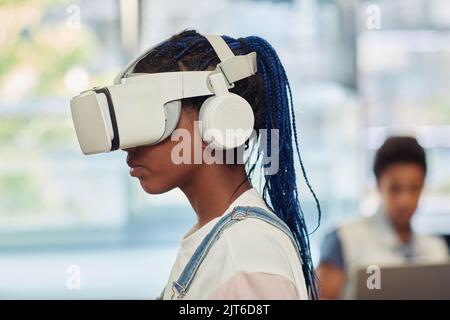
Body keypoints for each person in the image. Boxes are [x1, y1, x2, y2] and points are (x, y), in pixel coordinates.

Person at [122, 30, 321, 299]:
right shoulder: (224, 241)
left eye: (152, 118)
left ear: (221, 119)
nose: (130, 145)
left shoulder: (244, 256)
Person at [317, 136, 449, 299]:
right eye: (395, 189)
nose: (405, 201)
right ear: (379, 185)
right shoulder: (343, 239)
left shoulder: (437, 250)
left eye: (414, 188)